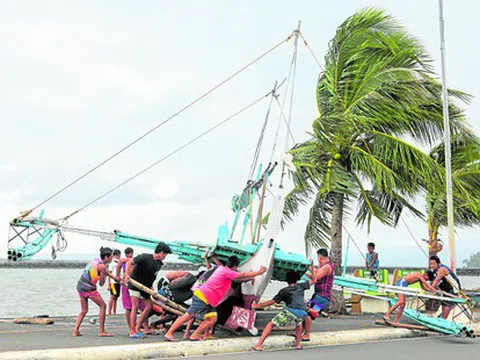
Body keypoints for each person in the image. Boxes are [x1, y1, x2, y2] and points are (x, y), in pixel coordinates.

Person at [164, 255, 267, 341]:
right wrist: (259, 272)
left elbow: (240, 278)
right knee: (188, 316)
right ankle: (169, 333)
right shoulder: (227, 272)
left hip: (210, 300)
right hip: (203, 297)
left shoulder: (222, 269)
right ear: (235, 267)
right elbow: (242, 275)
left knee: (212, 319)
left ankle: (196, 334)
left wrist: (252, 277)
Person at [251, 271, 312, 351]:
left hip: (291, 311)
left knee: (270, 324)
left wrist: (258, 305)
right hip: (303, 313)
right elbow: (314, 279)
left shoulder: (284, 291)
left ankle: (258, 345)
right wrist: (312, 266)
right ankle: (298, 344)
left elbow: (273, 301)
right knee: (298, 323)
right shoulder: (301, 286)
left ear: (286, 280)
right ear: (297, 280)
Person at [125, 242, 172, 338]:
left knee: (149, 307)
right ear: (162, 252)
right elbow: (129, 262)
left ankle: (138, 327)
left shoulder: (158, 264)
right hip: (135, 284)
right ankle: (132, 331)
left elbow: (151, 277)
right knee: (135, 306)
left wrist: (152, 289)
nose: (165, 256)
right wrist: (126, 274)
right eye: (165, 254)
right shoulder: (145, 257)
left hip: (145, 287)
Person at [73, 247, 120, 337]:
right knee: (103, 306)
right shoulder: (102, 266)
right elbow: (101, 283)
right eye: (111, 257)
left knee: (84, 310)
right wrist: (106, 276)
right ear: (106, 257)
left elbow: (107, 272)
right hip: (88, 288)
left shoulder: (95, 261)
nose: (112, 259)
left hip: (80, 286)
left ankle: (75, 331)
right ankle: (101, 331)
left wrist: (115, 278)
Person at [301, 248, 334, 342]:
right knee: (307, 312)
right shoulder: (325, 266)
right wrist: (307, 267)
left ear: (319, 257)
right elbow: (316, 271)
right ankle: (302, 332)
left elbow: (315, 277)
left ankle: (307, 334)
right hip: (319, 295)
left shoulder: (327, 267)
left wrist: (309, 267)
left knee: (309, 314)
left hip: (322, 297)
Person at [107, 249, 121, 315]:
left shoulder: (119, 263)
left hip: (119, 282)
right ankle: (109, 311)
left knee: (116, 297)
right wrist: (108, 284)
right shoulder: (111, 263)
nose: (118, 257)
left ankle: (114, 311)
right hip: (113, 282)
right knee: (112, 296)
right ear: (114, 256)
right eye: (117, 256)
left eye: (119, 255)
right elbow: (109, 274)